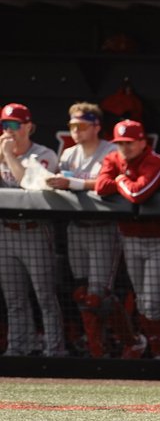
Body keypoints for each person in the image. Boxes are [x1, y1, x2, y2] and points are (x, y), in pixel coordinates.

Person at [48, 102, 136, 358]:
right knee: (82, 293)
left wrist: (73, 183)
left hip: (104, 228)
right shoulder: (68, 154)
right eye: (72, 126)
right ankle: (97, 347)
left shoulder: (111, 151)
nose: (76, 131)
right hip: (76, 228)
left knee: (98, 295)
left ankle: (129, 341)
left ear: (96, 126)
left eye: (82, 126)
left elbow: (110, 183)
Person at [93, 119, 160, 359]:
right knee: (142, 302)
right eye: (120, 143)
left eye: (130, 143)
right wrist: (122, 181)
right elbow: (100, 186)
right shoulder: (113, 158)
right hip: (130, 238)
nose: (125, 148)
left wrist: (119, 180)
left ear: (143, 142)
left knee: (151, 301)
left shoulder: (154, 161)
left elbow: (138, 193)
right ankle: (156, 348)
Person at [0, 102, 66, 357]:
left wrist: (9, 157)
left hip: (36, 231)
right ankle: (18, 348)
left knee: (45, 296)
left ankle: (55, 350)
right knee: (14, 298)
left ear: (29, 127)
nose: (8, 130)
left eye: (14, 125)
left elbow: (29, 184)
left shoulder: (43, 154)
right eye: (4, 125)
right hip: (6, 232)